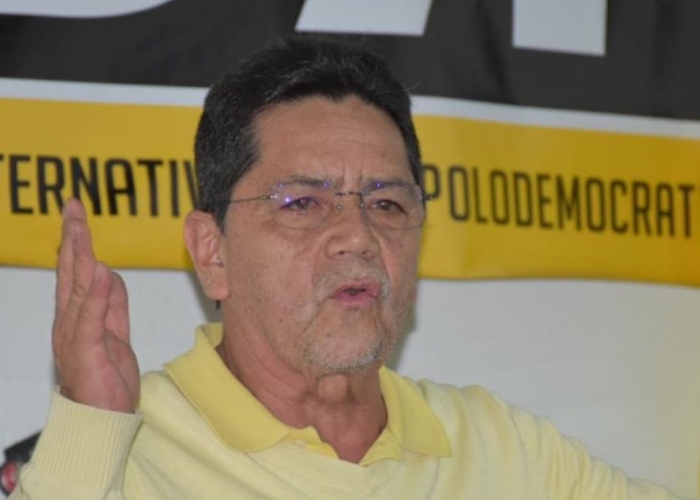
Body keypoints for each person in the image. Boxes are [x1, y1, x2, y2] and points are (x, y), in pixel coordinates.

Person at [10, 37, 688, 499]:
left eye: (386, 203)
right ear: (212, 253)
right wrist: (91, 427)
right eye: (303, 203)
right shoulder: (121, 451)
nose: (358, 237)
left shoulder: (500, 450)